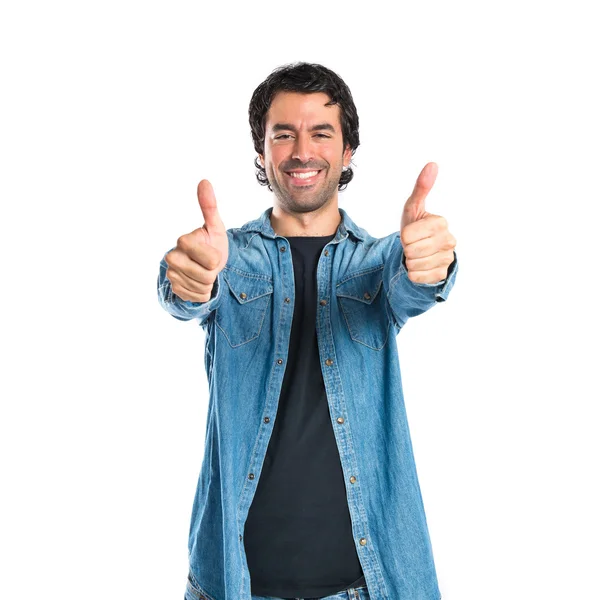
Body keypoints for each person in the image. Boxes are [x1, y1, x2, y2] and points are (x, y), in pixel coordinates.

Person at [157, 62, 458, 600]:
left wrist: (431, 265)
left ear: (347, 154)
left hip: (364, 585)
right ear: (261, 152)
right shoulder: (228, 257)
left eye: (322, 133)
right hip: (235, 583)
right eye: (283, 134)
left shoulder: (376, 261)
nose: (302, 151)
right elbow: (187, 295)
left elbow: (412, 284)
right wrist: (187, 279)